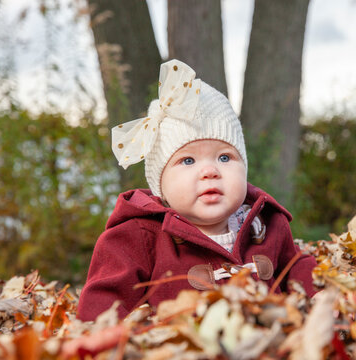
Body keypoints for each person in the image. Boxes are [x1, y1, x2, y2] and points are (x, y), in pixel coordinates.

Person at [77, 59, 317, 321]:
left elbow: (296, 270)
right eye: (188, 161)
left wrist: (322, 301)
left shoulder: (267, 224)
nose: (210, 171)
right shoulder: (138, 236)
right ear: (161, 184)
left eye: (225, 158)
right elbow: (102, 307)